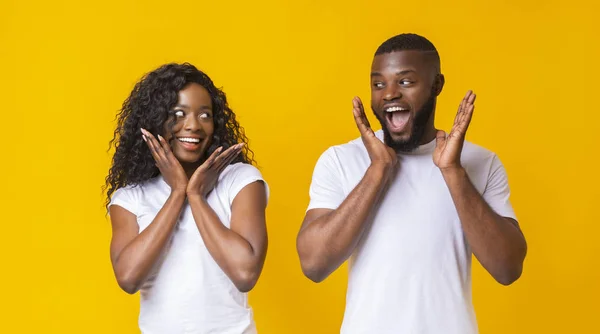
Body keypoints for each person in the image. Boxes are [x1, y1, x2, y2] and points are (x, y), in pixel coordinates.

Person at [296, 33, 527, 334]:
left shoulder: (481, 162)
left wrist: (453, 172)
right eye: (379, 84)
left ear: (437, 85)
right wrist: (377, 170)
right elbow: (313, 264)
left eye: (405, 82)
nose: (389, 94)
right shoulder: (341, 160)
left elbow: (508, 268)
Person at [104, 63, 268, 334]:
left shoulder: (240, 180)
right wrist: (178, 192)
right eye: (178, 114)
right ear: (154, 120)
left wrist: (196, 196)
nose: (193, 125)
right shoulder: (131, 198)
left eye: (205, 115)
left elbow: (245, 274)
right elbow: (128, 278)